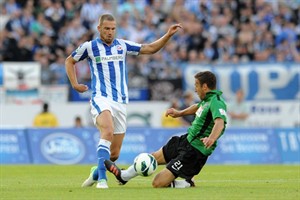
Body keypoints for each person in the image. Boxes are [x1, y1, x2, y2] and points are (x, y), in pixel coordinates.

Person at [65, 14, 182, 189]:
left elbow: (150, 49)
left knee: (114, 155)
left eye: (113, 29)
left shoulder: (122, 45)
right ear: (99, 29)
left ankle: (95, 173)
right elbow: (69, 60)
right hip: (101, 97)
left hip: (120, 102)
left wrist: (168, 35)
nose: (110, 32)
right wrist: (74, 84)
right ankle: (102, 181)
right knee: (108, 131)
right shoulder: (90, 47)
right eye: (106, 29)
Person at [105, 71, 227, 188]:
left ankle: (187, 183)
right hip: (186, 140)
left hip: (195, 151)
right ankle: (124, 176)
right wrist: (179, 113)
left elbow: (220, 122)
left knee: (158, 183)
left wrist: (211, 138)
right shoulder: (206, 101)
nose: (195, 89)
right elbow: (197, 107)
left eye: (197, 85)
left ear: (205, 86)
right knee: (153, 157)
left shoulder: (217, 102)